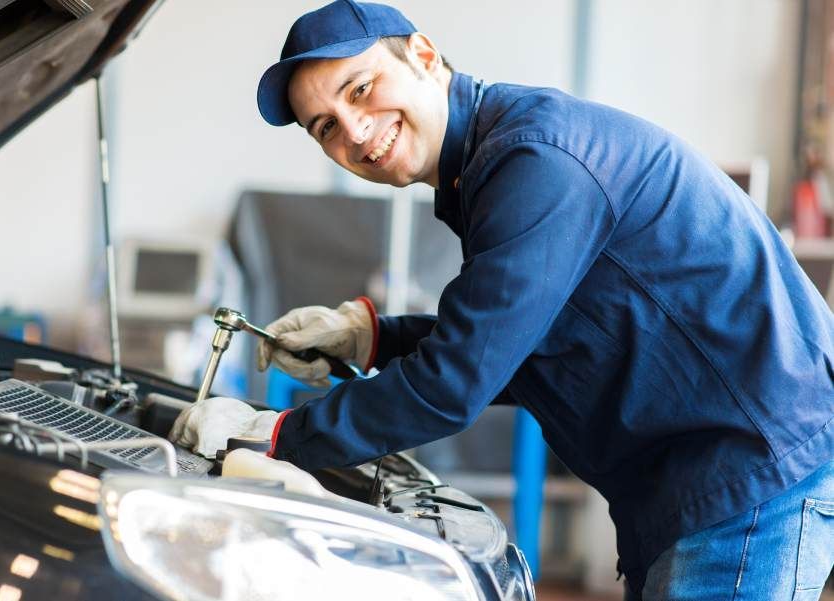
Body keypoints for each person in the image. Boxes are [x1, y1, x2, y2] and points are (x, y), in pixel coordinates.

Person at [170, 2, 834, 599]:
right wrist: (369, 337)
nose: (354, 131)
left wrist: (280, 435)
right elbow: (522, 345)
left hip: (749, 471)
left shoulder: (532, 162)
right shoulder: (483, 170)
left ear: (424, 56)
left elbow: (455, 382)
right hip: (699, 478)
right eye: (325, 127)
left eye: (361, 89)